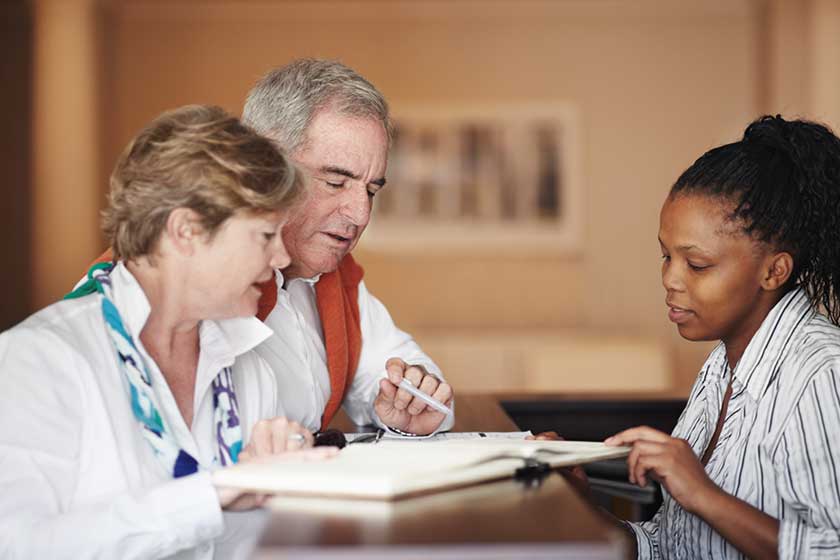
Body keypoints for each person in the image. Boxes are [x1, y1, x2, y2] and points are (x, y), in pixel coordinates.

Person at [0, 105, 336, 559]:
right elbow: (19, 546)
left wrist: (289, 488)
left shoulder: (252, 368)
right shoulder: (37, 361)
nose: (280, 259)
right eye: (264, 236)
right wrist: (211, 495)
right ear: (185, 231)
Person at [604, 116, 840, 558]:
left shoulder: (821, 375)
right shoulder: (721, 367)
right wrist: (574, 495)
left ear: (774, 270)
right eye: (665, 256)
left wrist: (702, 493)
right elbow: (668, 548)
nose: (670, 279)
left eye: (696, 265)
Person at [241, 59, 454, 436]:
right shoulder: (186, 281)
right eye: (336, 182)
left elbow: (393, 367)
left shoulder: (335, 278)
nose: (360, 214)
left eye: (371, 190)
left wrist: (410, 397)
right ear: (264, 167)